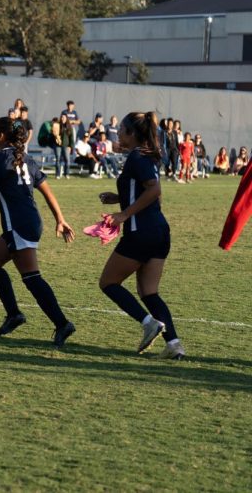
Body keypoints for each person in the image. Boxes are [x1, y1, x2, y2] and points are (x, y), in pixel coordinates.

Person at [0, 117, 76, 347]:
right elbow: (47, 191)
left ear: (1, 136)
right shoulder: (26, 159)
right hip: (30, 221)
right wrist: (59, 219)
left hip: (18, 224)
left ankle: (62, 323)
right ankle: (14, 314)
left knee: (32, 278)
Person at [97, 111, 183, 359]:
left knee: (108, 283)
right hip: (158, 231)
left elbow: (154, 190)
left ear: (131, 133)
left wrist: (124, 215)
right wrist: (119, 199)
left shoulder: (137, 156)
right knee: (149, 292)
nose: (118, 133)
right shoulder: (147, 155)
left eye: (121, 129)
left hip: (140, 231)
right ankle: (174, 344)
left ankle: (149, 323)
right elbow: (150, 192)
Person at [53, 114, 72, 179]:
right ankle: (57, 174)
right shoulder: (57, 125)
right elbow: (54, 133)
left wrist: (70, 146)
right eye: (62, 117)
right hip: (58, 145)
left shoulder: (69, 126)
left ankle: (66, 174)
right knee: (58, 159)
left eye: (64, 117)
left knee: (67, 160)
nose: (62, 118)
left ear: (66, 118)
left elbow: (71, 137)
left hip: (66, 146)